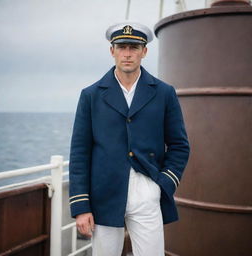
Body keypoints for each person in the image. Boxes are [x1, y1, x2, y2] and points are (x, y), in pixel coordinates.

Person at [69, 21, 190, 256]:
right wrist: (81, 206)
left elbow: (179, 145)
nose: (127, 53)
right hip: (103, 192)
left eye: (134, 48)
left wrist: (164, 183)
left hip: (147, 189)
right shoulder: (91, 96)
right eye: (121, 46)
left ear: (144, 51)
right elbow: (79, 154)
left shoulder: (164, 92)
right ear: (112, 50)